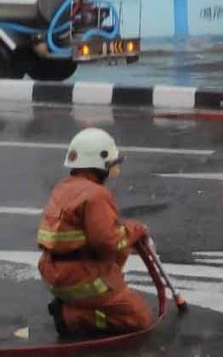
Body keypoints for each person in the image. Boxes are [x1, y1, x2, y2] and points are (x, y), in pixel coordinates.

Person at [37, 129, 151, 337]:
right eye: (112, 163)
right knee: (139, 317)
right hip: (80, 279)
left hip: (54, 271)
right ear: (100, 164)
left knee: (119, 247)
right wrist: (135, 231)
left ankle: (84, 304)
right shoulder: (96, 195)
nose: (114, 169)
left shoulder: (64, 188)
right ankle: (72, 316)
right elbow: (109, 242)